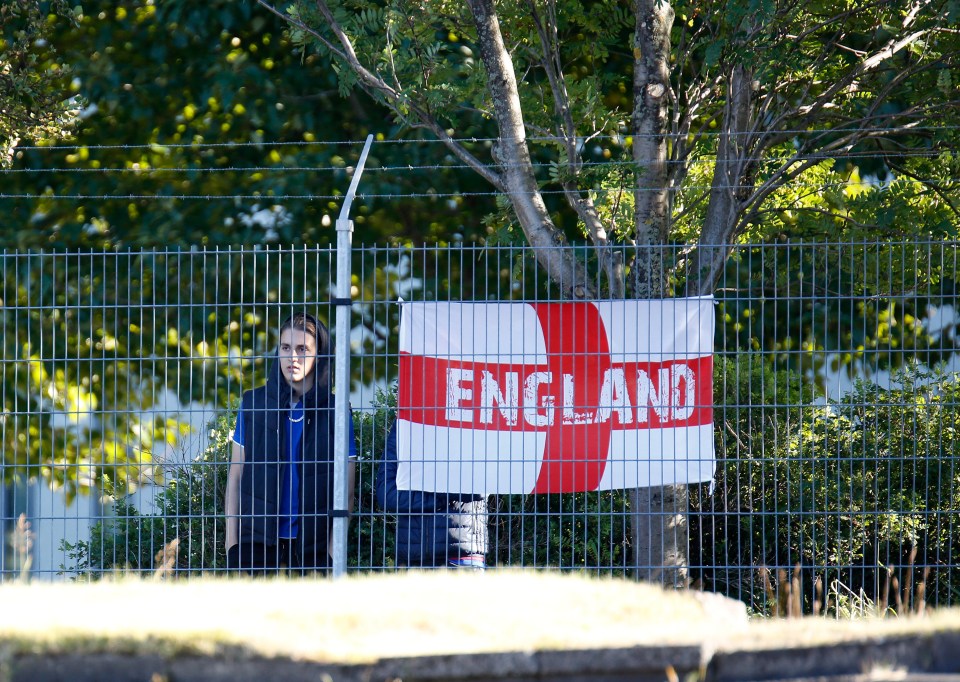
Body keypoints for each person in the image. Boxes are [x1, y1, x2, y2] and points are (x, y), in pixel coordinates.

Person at [225, 312, 356, 574]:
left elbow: (347, 490)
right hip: (257, 546)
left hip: (313, 550)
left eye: (302, 349)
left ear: (318, 355)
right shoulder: (253, 405)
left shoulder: (336, 411)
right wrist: (232, 545)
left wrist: (332, 551)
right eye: (286, 348)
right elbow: (235, 477)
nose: (293, 358)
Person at [376, 422, 488, 569]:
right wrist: (442, 495)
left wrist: (419, 486)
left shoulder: (470, 416)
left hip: (461, 558)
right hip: (413, 560)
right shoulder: (404, 423)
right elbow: (387, 494)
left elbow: (478, 487)